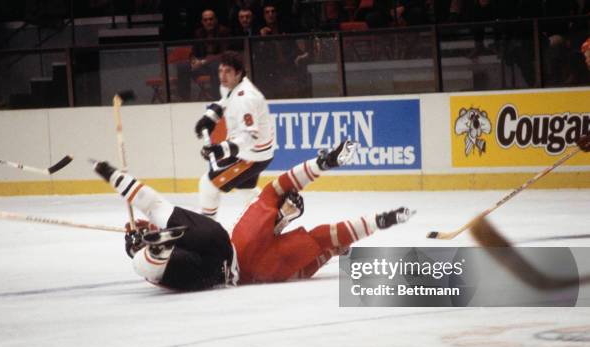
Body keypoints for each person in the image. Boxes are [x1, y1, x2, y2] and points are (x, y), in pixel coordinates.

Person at [91, 140, 415, 291]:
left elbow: (326, 239)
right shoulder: (263, 218)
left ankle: (149, 249)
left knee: (154, 251)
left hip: (222, 262)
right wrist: (325, 163)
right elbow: (323, 234)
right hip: (223, 256)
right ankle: (148, 246)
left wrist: (377, 223)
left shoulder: (267, 223)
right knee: (159, 227)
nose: (289, 206)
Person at [193, 51, 274, 218]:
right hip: (251, 153)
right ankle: (270, 217)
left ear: (238, 73)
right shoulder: (233, 86)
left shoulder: (245, 98)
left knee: (208, 185)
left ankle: (207, 229)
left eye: (228, 71)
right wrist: (210, 117)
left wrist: (221, 149)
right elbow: (226, 100)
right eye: (220, 71)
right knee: (246, 189)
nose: (222, 75)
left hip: (252, 156)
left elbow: (251, 136)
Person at [177, 9, 229, 101]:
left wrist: (204, 61)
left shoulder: (223, 31)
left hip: (218, 64)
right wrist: (194, 61)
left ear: (216, 20)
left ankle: (216, 99)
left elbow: (224, 53)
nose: (208, 22)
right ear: (202, 22)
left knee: (215, 66)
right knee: (182, 66)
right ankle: (184, 99)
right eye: (205, 20)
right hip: (202, 65)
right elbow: (193, 52)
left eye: (211, 19)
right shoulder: (199, 33)